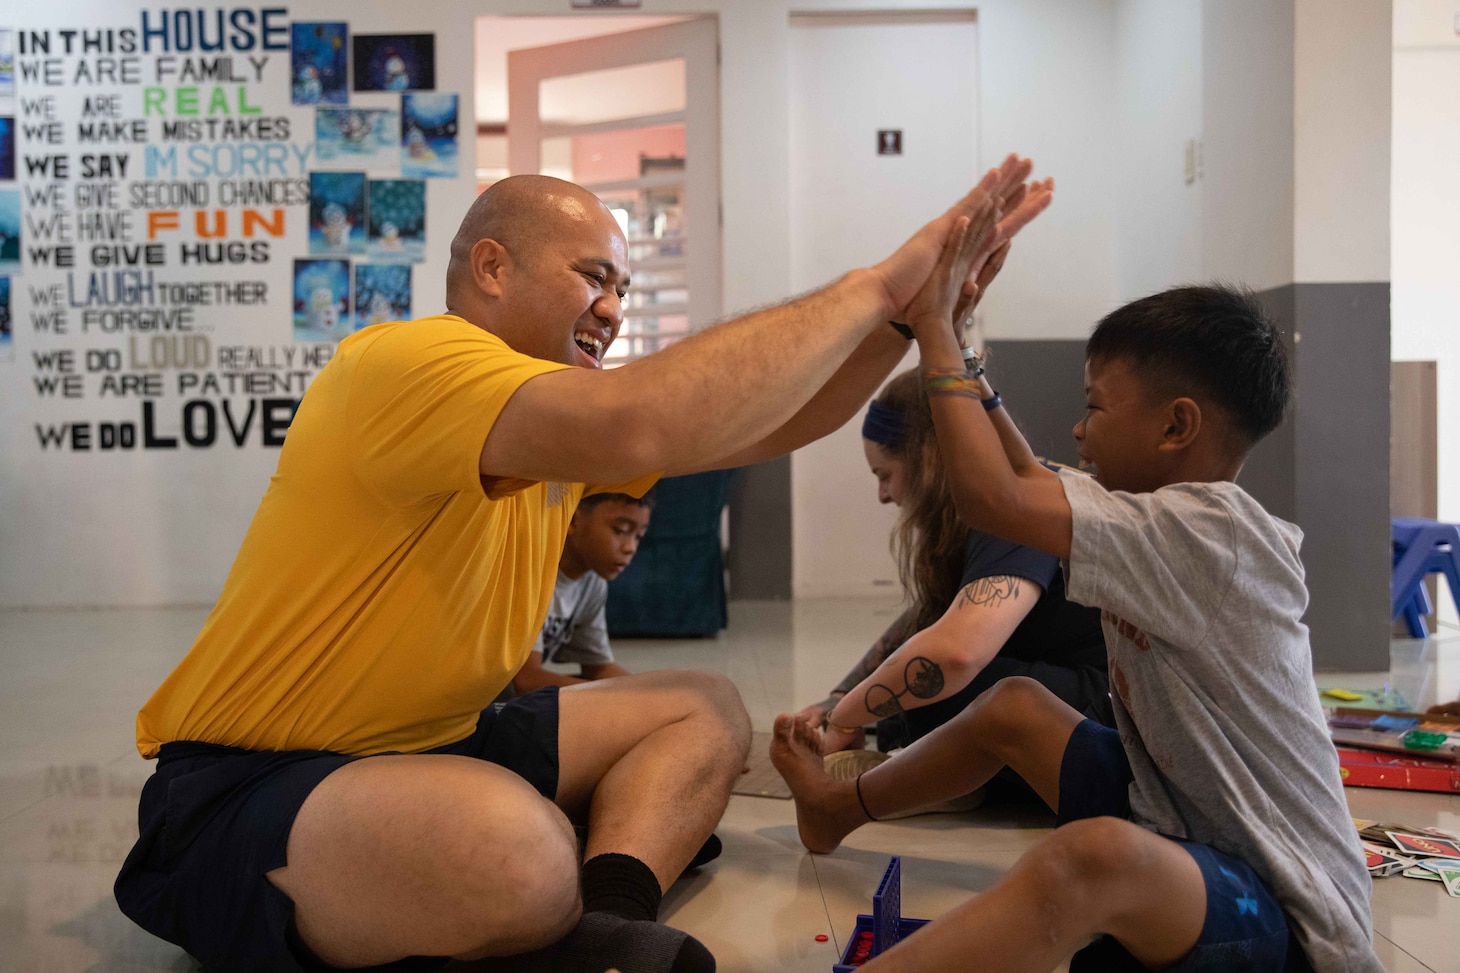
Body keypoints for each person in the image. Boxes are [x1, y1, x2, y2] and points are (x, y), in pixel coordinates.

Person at [115, 160, 1053, 973]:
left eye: (624, 290)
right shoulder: (412, 359)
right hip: (248, 783)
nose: (612, 309)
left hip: (439, 740)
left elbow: (775, 424)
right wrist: (877, 285)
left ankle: (602, 926)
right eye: (593, 277)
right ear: (492, 266)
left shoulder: (550, 422)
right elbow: (645, 418)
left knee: (705, 708)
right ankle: (528, 895)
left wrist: (906, 324)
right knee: (513, 855)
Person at [772, 216, 1380, 971]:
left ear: (1175, 427)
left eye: (1094, 406)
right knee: (1014, 706)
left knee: (1090, 858)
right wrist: (957, 343)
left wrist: (929, 328)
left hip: (1285, 912)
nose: (1077, 426)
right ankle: (836, 808)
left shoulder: (1204, 530)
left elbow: (997, 495)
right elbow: (1029, 477)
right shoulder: (1161, 515)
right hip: (1182, 818)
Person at [794, 366, 1108, 776]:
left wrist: (846, 718)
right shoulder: (991, 501)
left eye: (885, 475)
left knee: (934, 683)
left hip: (1108, 711)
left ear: (926, 461)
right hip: (1080, 690)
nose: (884, 495)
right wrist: (839, 697)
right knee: (916, 672)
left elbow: (959, 653)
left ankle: (945, 775)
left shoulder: (1018, 501)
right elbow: (928, 618)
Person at [513, 491, 652, 694]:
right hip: (482, 708)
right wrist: (622, 696)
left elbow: (598, 667)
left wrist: (649, 693)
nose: (631, 548)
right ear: (573, 520)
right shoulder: (529, 570)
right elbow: (525, 680)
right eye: (620, 530)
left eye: (638, 536)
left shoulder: (593, 582)